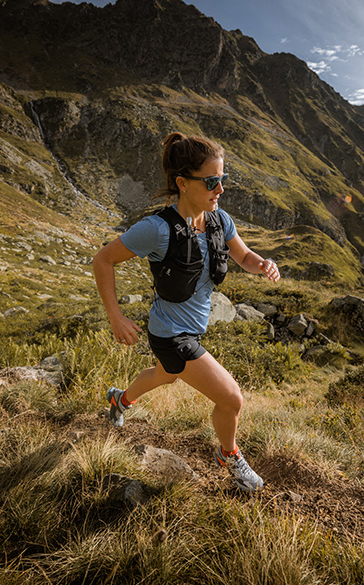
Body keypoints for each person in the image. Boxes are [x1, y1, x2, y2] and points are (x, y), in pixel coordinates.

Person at [93, 132, 280, 493]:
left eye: (223, 179)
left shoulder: (218, 220)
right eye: (212, 181)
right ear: (182, 183)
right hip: (170, 334)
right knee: (231, 398)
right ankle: (229, 455)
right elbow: (103, 260)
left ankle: (120, 400)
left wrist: (263, 264)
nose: (220, 189)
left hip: (191, 331)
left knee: (165, 376)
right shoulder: (156, 229)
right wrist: (116, 317)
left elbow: (243, 256)